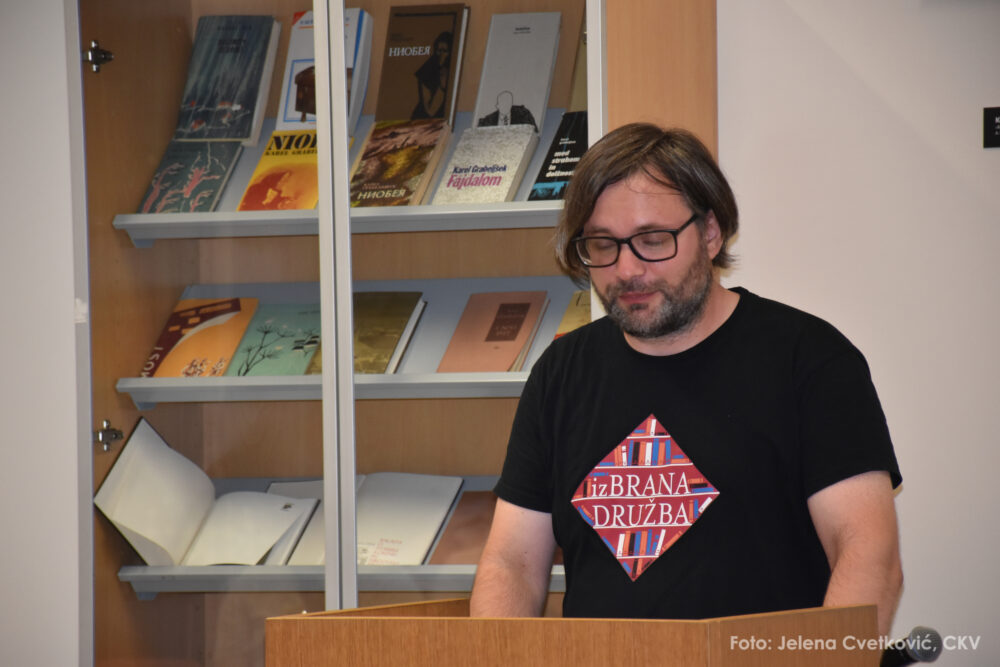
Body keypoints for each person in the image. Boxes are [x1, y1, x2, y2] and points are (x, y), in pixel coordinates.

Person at [469, 123, 904, 636]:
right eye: (603, 245)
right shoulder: (561, 373)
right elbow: (512, 564)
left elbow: (868, 558)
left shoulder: (810, 360)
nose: (626, 269)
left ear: (711, 232)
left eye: (653, 240)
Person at [411, 31, 452, 120]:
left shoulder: (452, 68)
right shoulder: (426, 71)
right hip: (423, 120)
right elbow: (430, 111)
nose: (441, 55)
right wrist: (442, 87)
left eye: (445, 51)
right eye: (439, 50)